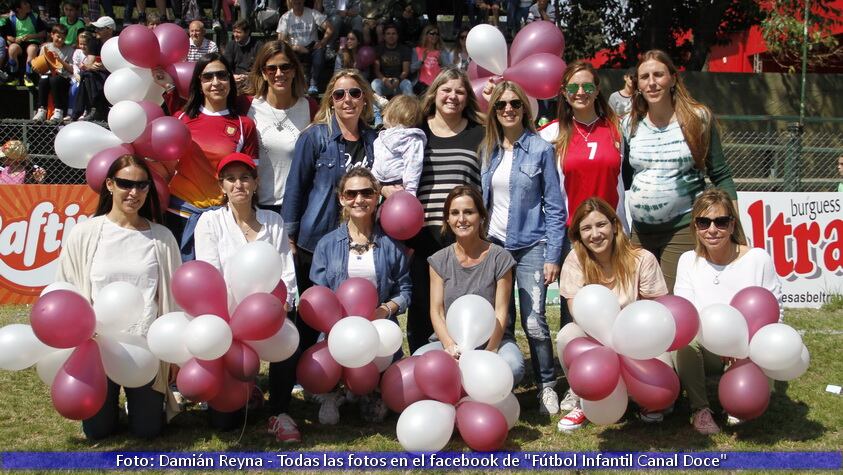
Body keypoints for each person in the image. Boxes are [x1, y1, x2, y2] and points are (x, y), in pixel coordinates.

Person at [55, 154, 181, 440]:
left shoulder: (161, 238)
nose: (133, 192)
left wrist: (172, 355)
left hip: (146, 348)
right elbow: (66, 289)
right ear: (110, 185)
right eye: (125, 183)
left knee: (148, 431)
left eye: (142, 185)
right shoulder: (85, 234)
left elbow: (173, 298)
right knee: (97, 431)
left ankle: (142, 405)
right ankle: (113, 407)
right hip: (96, 348)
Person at [281, 68, 377, 405]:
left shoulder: (374, 140)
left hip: (359, 242)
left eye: (354, 93)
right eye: (339, 94)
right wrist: (289, 236)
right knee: (311, 314)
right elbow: (296, 187)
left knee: (356, 312)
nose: (347, 100)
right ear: (330, 101)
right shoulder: (315, 137)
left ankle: (356, 379)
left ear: (365, 98)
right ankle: (304, 378)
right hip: (314, 240)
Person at [193, 152, 298, 437]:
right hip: (227, 319)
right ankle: (244, 390)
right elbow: (209, 274)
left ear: (255, 183)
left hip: (266, 313)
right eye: (231, 179)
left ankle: (279, 409)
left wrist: (283, 304)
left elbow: (285, 271)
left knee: (289, 331)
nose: (238, 184)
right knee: (224, 423)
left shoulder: (274, 222)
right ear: (222, 186)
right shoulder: (209, 223)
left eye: (245, 178)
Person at [480, 81, 565, 415]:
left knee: (534, 321)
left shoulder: (541, 148)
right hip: (495, 246)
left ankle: (547, 385)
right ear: (494, 111)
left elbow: (555, 207)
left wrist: (553, 255)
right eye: (501, 105)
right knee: (501, 318)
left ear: (525, 109)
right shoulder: (488, 149)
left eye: (515, 103)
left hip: (532, 244)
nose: (508, 110)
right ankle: (505, 383)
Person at [623, 49, 737, 291]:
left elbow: (721, 175)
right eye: (645, 77)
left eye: (658, 75)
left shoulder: (698, 118)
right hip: (639, 233)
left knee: (669, 304)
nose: (652, 83)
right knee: (637, 302)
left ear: (673, 78)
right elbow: (625, 178)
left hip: (682, 228)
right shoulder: (629, 124)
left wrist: (736, 229)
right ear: (638, 85)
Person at [673, 188, 782, 435]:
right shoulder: (688, 261)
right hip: (708, 345)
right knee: (684, 342)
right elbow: (686, 315)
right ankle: (700, 410)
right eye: (704, 222)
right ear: (695, 227)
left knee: (746, 405)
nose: (712, 230)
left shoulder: (757, 258)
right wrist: (720, 342)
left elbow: (775, 313)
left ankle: (740, 398)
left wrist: (740, 347)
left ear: (732, 225)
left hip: (751, 347)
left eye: (721, 222)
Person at [310, 167, 412, 425]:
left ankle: (368, 387)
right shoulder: (327, 244)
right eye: (351, 193)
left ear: (377, 196)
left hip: (379, 334)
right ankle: (333, 390)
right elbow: (318, 293)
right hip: (337, 332)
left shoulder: (391, 244)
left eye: (366, 192)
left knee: (374, 416)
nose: (359, 199)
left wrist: (385, 310)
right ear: (342, 198)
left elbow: (405, 290)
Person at [557, 197, 668, 431]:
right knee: (567, 334)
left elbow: (654, 311)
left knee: (662, 368)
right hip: (595, 338)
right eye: (586, 228)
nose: (595, 234)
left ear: (614, 225)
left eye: (601, 225)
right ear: (578, 234)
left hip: (638, 339)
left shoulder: (642, 259)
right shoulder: (575, 260)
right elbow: (577, 313)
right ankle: (584, 397)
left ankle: (646, 399)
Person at [406, 67, 484, 353]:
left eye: (460, 91)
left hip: (463, 235)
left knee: (461, 303)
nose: (453, 96)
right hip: (422, 235)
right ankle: (421, 364)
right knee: (422, 305)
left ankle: (464, 363)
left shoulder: (480, 134)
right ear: (434, 93)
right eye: (446, 90)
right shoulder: (416, 131)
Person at [158, 53, 258, 261]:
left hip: (222, 220)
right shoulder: (180, 118)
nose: (216, 82)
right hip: (180, 215)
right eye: (208, 77)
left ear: (230, 80)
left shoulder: (243, 124)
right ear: (198, 82)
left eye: (222, 75)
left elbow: (251, 176)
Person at [428, 185, 525, 382]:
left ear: (481, 216)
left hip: (491, 340)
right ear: (448, 219)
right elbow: (436, 312)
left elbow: (501, 312)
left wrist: (490, 352)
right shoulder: (438, 260)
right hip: (449, 341)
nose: (461, 219)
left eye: (468, 212)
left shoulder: (500, 257)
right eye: (454, 213)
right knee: (419, 364)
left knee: (513, 367)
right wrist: (449, 347)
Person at [246, 40, 314, 215]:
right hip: (255, 206)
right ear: (263, 72)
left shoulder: (310, 107)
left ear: (294, 70)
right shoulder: (247, 106)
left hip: (297, 207)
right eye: (271, 68)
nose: (279, 73)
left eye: (285, 67)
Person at [276, 0, 334, 95]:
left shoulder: (312, 13)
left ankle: (313, 83)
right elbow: (281, 40)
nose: (297, 3)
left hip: (312, 47)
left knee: (319, 53)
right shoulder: (286, 17)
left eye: (299, 1)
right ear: (291, 2)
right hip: (295, 49)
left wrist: (323, 42)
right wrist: (294, 47)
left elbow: (330, 28)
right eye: (295, 2)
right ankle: (297, 84)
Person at [371, 95, 426, 195]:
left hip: (400, 185)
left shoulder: (411, 139)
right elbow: (377, 162)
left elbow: (413, 165)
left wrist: (410, 191)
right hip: (380, 185)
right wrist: (374, 183)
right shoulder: (381, 137)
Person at [32, 23, 74, 123]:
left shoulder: (70, 50)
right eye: (58, 37)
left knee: (54, 80)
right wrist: (37, 68)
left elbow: (71, 70)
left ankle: (58, 111)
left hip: (63, 77)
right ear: (52, 35)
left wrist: (60, 60)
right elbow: (40, 65)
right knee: (43, 79)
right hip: (47, 75)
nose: (60, 40)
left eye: (63, 38)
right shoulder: (45, 48)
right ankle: (42, 110)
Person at [2, 0, 47, 85]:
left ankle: (28, 76)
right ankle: (14, 76)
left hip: (32, 42)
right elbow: (7, 36)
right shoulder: (11, 19)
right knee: (12, 48)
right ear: (18, 9)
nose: (29, 5)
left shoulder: (34, 17)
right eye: (25, 4)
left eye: (28, 2)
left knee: (32, 49)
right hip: (18, 43)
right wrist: (15, 40)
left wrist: (31, 36)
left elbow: (43, 33)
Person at [371, 23, 412, 97]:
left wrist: (398, 80)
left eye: (394, 33)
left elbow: (405, 71)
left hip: (399, 82)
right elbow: (377, 70)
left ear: (397, 36)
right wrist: (384, 80)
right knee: (375, 83)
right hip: (384, 82)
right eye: (388, 34)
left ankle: (409, 107)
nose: (391, 36)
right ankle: (378, 107)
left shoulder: (404, 49)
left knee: (407, 83)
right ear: (384, 36)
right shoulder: (378, 49)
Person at [223, 20, 264, 94]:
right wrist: (232, 76)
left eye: (238, 32)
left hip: (252, 80)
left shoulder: (258, 45)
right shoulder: (231, 45)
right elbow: (226, 65)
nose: (235, 35)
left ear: (247, 32)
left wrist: (248, 76)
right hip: (235, 80)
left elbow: (260, 66)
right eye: (234, 31)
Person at [411, 24, 450, 95]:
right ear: (425, 35)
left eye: (437, 34)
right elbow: (411, 69)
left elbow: (449, 69)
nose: (435, 36)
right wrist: (422, 61)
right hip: (421, 86)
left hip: (437, 85)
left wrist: (441, 63)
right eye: (432, 33)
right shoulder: (416, 50)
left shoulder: (442, 51)